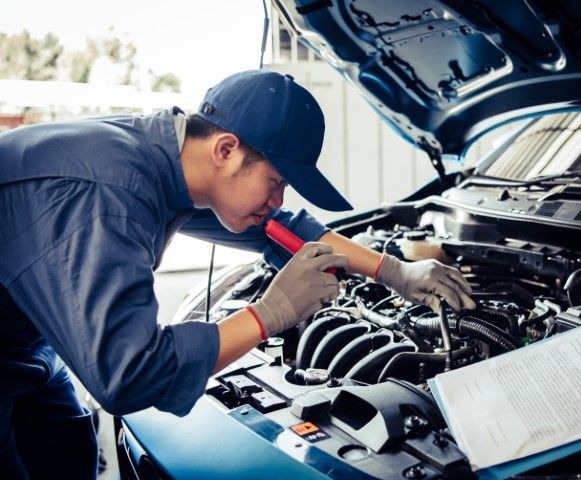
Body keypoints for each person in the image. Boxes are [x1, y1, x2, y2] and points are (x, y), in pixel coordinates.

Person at [0, 70, 475, 478]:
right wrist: (269, 313)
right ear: (226, 149)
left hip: (25, 349)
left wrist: (395, 272)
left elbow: (286, 233)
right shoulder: (109, 193)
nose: (279, 200)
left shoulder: (174, 160)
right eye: (277, 183)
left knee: (66, 453)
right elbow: (128, 374)